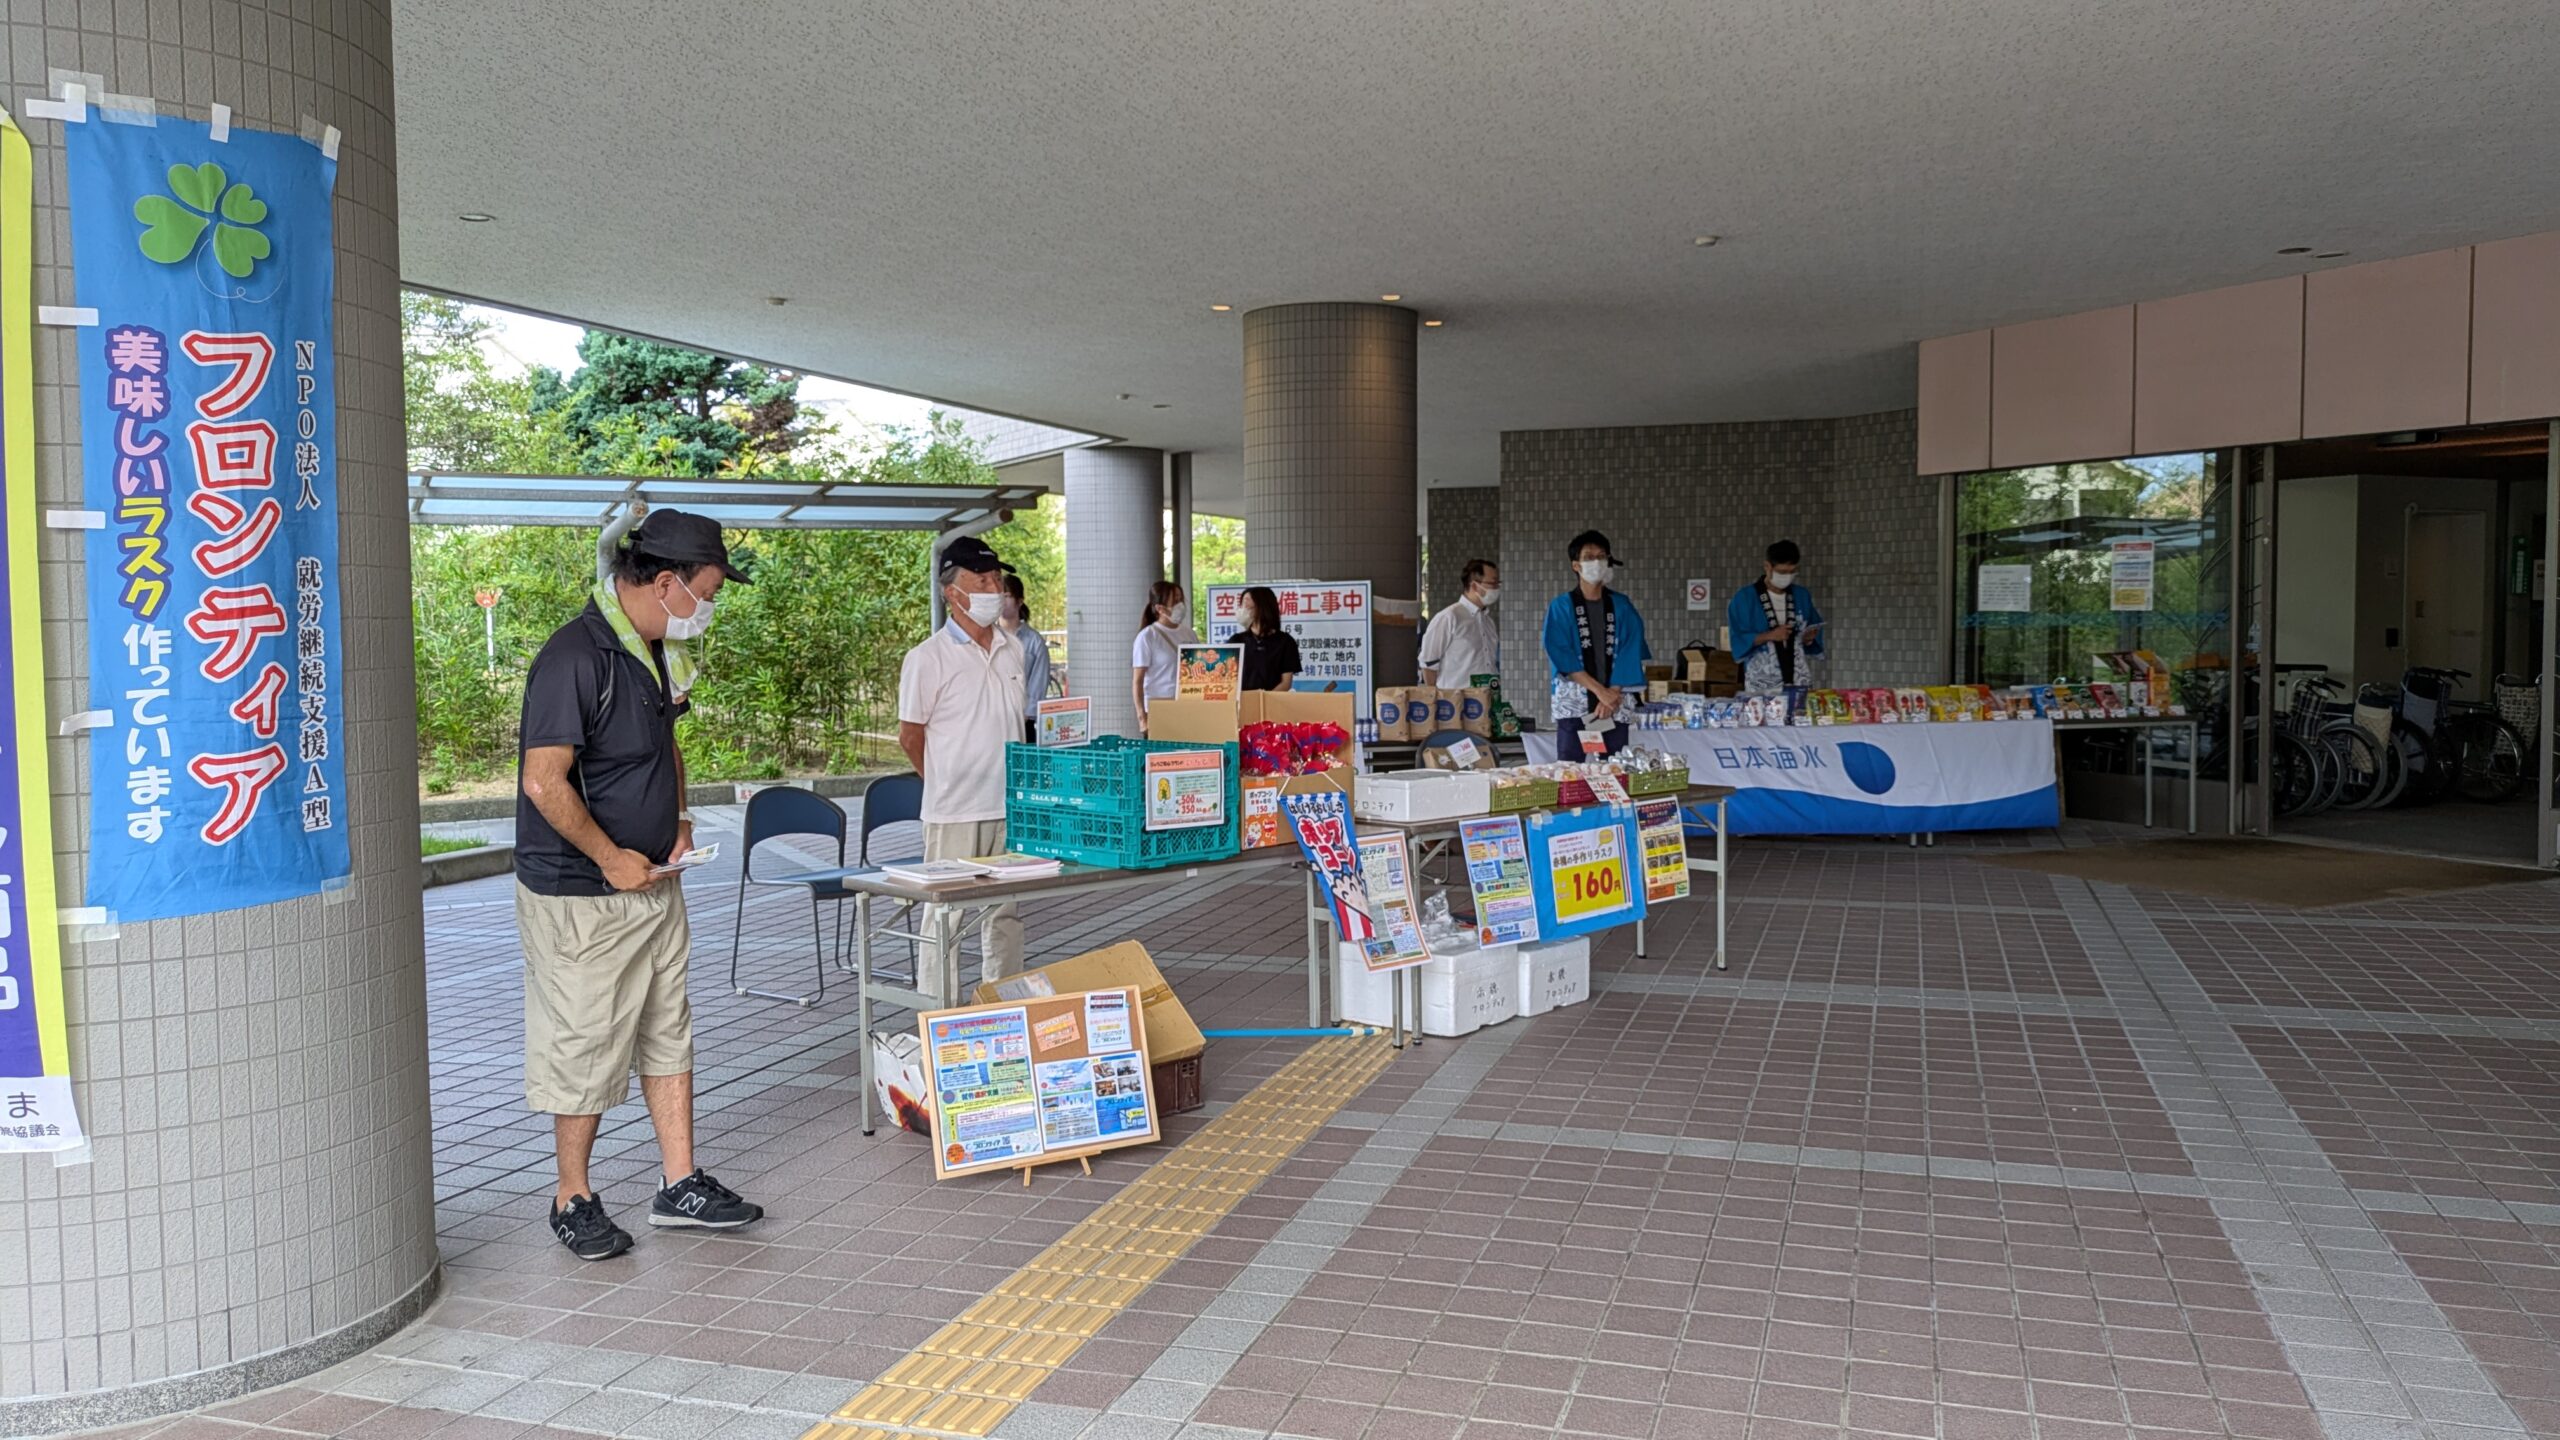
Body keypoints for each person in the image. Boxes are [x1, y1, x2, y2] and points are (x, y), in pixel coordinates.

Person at [515, 509, 764, 1262]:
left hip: (654, 882)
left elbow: (664, 744)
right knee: (586, 1042)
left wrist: (678, 818)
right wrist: (609, 856)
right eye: (706, 593)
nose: (708, 608)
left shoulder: (654, 651)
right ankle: (572, 1196)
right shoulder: (575, 657)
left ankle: (679, 1183)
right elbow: (542, 782)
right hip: (583, 895)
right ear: (664, 583)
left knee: (666, 1029)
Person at [898, 536, 1029, 999]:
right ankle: (939, 1014)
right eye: (983, 580)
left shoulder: (1013, 647)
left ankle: (1002, 1004)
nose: (995, 588)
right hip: (953, 812)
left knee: (1004, 914)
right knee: (945, 916)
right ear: (952, 592)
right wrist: (943, 781)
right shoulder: (926, 658)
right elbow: (910, 736)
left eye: (997, 579)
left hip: (1008, 804)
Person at [1541, 530, 1648, 757]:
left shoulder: (1622, 605)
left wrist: (1611, 695)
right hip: (1575, 700)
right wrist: (1601, 692)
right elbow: (1560, 653)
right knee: (1570, 767)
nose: (1596, 562)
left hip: (1615, 701)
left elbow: (1631, 649)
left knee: (1615, 766)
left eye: (1601, 556)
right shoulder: (1561, 606)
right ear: (1575, 565)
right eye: (1589, 557)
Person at [1727, 538, 1826, 695]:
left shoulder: (1801, 595)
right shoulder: (1745, 598)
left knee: (1799, 709)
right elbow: (1738, 638)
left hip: (1798, 674)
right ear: (1767, 566)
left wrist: (1809, 639)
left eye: (1792, 571)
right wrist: (1770, 636)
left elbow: (1812, 628)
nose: (1788, 576)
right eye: (1782, 572)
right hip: (1763, 676)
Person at [1130, 579, 1197, 733]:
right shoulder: (1147, 636)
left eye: (1180, 599)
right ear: (1160, 608)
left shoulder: (1189, 633)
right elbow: (1137, 681)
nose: (1180, 605)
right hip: (1159, 708)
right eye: (1174, 601)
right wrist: (1142, 718)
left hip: (1187, 707)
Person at [1420, 559, 1500, 688]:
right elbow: (1428, 663)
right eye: (1493, 583)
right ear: (1474, 586)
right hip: (1456, 698)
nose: (1497, 588)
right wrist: (1436, 696)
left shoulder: (1488, 622)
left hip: (1488, 696)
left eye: (1498, 583)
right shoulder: (1449, 617)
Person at [1002, 570, 1056, 743]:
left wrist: (1024, 715)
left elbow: (1038, 684)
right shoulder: (986, 636)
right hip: (991, 719)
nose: (1001, 601)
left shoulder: (1034, 641)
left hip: (1022, 722)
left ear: (1020, 601)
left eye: (1007, 596)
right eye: (998, 596)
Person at [1234, 584, 1300, 692]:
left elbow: (1286, 683)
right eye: (1241, 604)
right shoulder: (1236, 640)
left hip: (1273, 700)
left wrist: (1264, 699)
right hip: (1243, 701)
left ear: (1262, 606)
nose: (1243, 608)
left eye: (1247, 602)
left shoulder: (1285, 642)